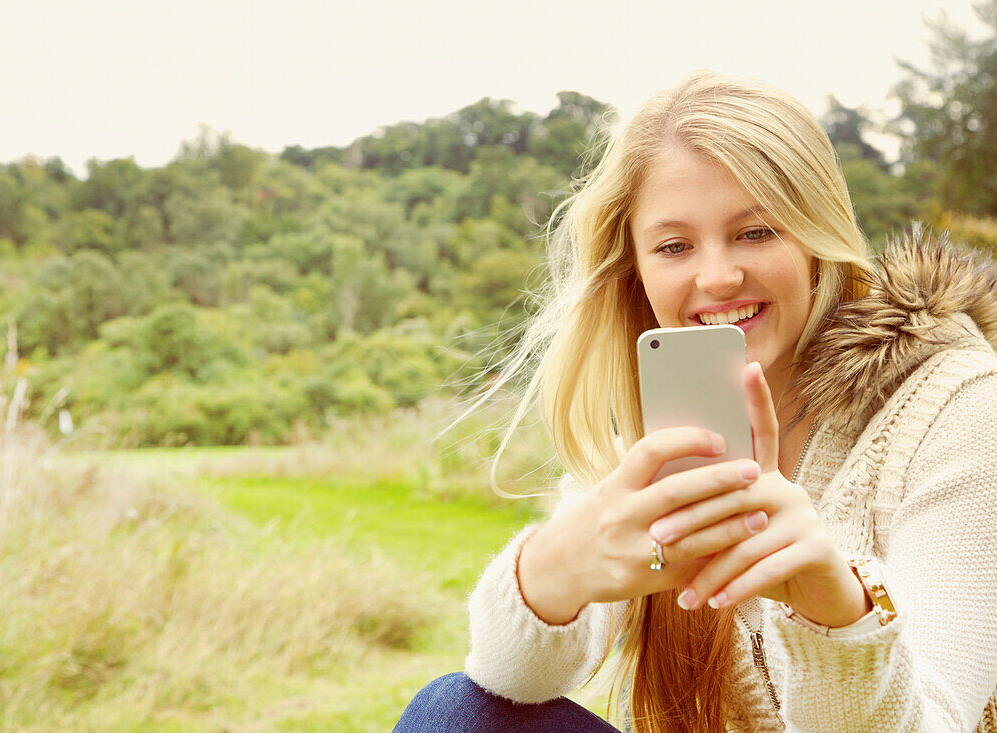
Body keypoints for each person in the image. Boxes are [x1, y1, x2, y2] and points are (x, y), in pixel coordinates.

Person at [393, 71, 997, 732]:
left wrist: (838, 615)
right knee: (452, 709)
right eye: (675, 246)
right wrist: (553, 570)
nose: (716, 276)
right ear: (637, 269)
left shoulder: (959, 405)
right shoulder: (659, 427)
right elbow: (508, 676)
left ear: (817, 236)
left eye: (756, 232)